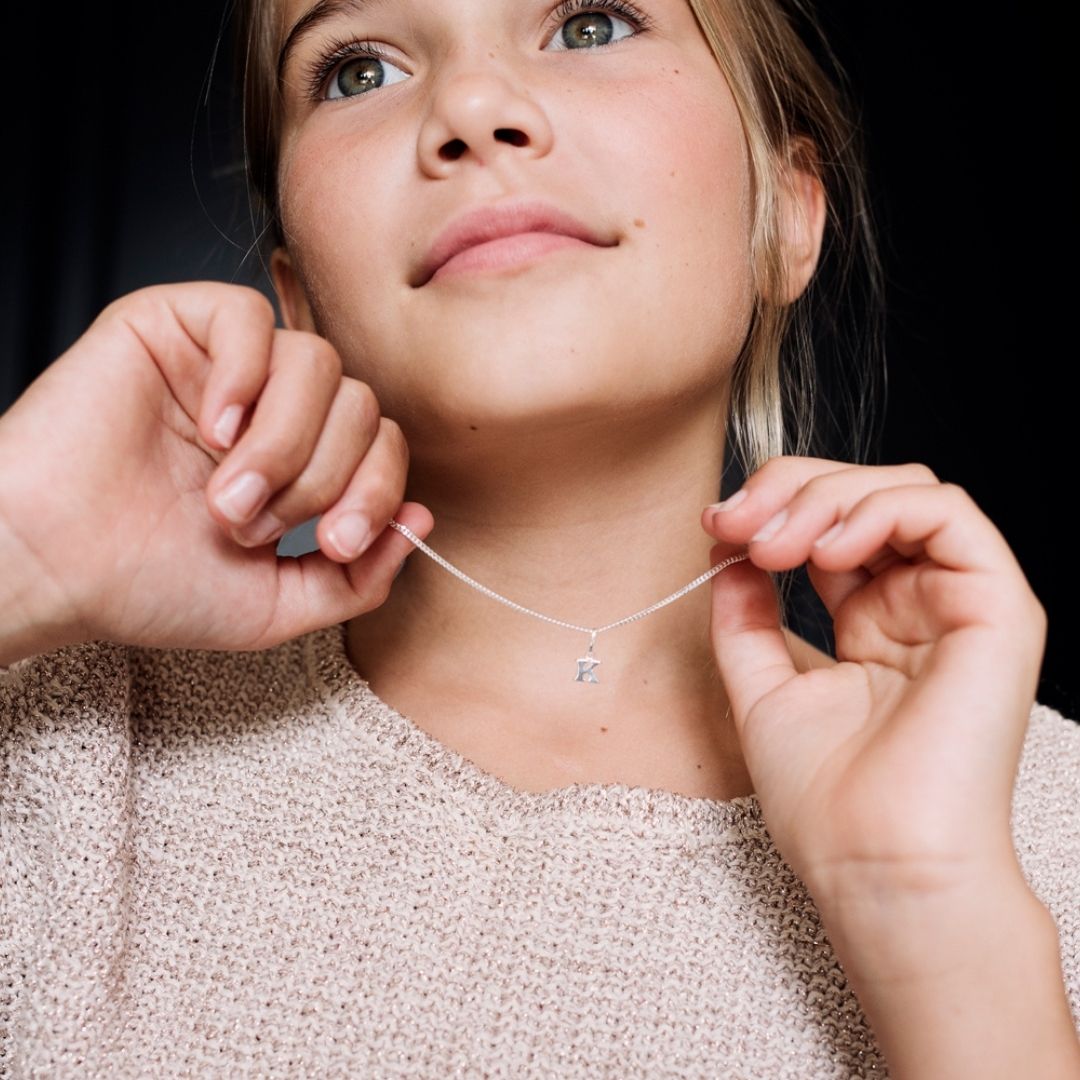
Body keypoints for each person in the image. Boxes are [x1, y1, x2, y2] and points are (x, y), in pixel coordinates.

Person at [1, 0, 1077, 1075]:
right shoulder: (62, 734)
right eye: (360, 70)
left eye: (592, 23)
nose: (471, 107)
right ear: (302, 300)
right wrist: (22, 548)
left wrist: (936, 916)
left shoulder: (1036, 826)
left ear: (788, 215)